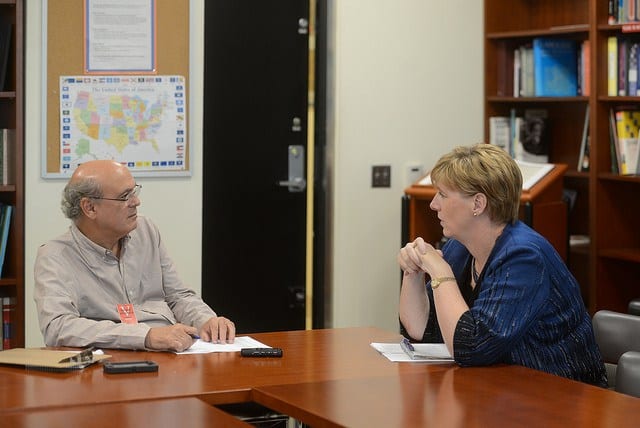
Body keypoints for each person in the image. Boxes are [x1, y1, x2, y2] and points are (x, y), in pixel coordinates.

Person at [397, 144, 607, 387]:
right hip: (504, 392)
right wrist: (413, 272)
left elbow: (470, 347)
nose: (433, 204)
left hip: (566, 397)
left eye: (443, 195)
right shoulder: (460, 248)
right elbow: (425, 333)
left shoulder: (523, 258)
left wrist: (441, 273)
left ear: (478, 204)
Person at [34, 160, 235, 352]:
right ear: (90, 207)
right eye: (125, 196)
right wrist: (145, 337)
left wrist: (207, 320)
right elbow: (58, 327)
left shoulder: (146, 230)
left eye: (135, 192)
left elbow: (178, 296)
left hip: (172, 354)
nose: (136, 202)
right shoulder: (54, 256)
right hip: (109, 362)